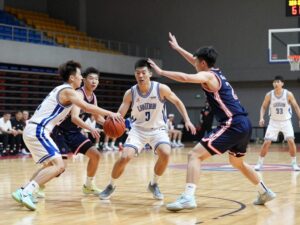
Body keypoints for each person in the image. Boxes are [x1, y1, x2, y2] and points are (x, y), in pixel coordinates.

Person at [147, 32, 276, 211]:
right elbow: (193, 60)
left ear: (203, 63)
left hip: (232, 123)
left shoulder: (207, 76)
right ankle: (264, 191)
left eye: (196, 61)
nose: (194, 62)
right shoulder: (216, 72)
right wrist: (177, 49)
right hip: (243, 123)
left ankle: (188, 197)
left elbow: (185, 78)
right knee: (237, 162)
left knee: (194, 155)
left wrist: (161, 72)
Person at [11, 60, 121, 211]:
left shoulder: (63, 89)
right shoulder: (68, 91)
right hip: (40, 130)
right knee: (59, 165)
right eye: (79, 75)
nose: (81, 78)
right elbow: (86, 107)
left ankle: (26, 190)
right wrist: (111, 113)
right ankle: (26, 192)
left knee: (51, 165)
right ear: (71, 78)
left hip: (35, 130)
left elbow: (91, 110)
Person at [99, 59, 196, 200]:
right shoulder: (130, 93)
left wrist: (187, 120)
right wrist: (109, 123)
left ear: (150, 73)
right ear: (135, 75)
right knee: (125, 157)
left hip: (158, 129)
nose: (141, 75)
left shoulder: (161, 88)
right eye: (138, 73)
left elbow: (177, 101)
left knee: (166, 153)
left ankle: (154, 184)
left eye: (144, 72)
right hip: (137, 130)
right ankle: (111, 185)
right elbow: (120, 115)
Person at [51, 67, 105, 196]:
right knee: (58, 165)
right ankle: (37, 186)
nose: (94, 82)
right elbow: (74, 118)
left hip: (73, 132)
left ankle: (88, 185)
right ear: (84, 79)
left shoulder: (93, 96)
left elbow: (97, 117)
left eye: (96, 79)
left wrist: (113, 124)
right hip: (60, 131)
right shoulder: (78, 94)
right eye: (91, 78)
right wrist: (91, 128)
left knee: (95, 155)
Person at [254, 76, 300, 171]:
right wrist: (261, 117)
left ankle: (294, 163)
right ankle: (259, 163)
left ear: (282, 84)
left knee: (291, 141)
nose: (276, 83)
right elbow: (263, 107)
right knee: (266, 142)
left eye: (278, 82)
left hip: (286, 121)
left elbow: (296, 106)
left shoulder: (288, 94)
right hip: (273, 122)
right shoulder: (269, 95)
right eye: (274, 82)